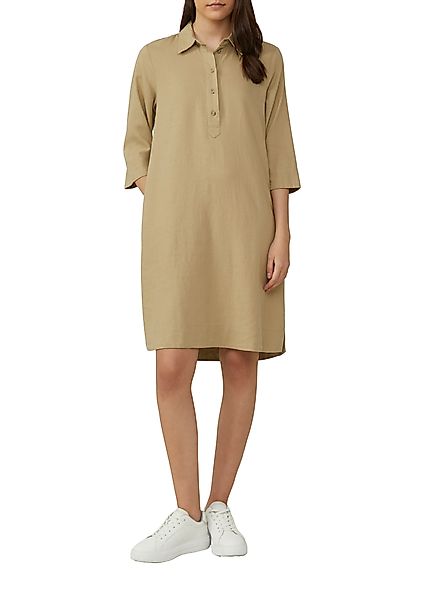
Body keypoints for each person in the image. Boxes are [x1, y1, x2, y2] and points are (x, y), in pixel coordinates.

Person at [122, 0, 301, 563]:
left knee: (240, 358)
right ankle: (187, 514)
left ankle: (218, 504)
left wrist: (282, 234)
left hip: (247, 230)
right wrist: (168, 196)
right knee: (171, 365)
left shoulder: (267, 60)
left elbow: (279, 153)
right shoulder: (154, 58)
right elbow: (136, 147)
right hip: (176, 234)